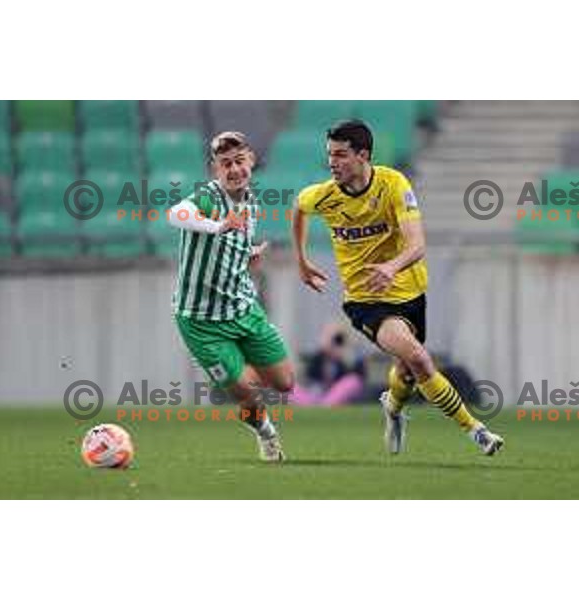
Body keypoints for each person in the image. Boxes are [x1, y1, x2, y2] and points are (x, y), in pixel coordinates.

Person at [292, 119, 504, 455]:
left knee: (406, 373)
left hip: (410, 292)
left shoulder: (393, 184)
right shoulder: (324, 196)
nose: (332, 162)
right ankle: (476, 431)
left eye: (341, 155)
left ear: (364, 155)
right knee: (420, 358)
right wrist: (301, 261)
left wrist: (391, 267)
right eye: (330, 154)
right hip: (366, 301)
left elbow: (418, 244)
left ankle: (392, 407)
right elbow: (299, 208)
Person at [168, 131, 294, 462]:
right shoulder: (208, 197)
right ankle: (265, 432)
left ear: (250, 161)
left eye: (239, 161)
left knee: (285, 383)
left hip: (242, 309)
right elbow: (175, 214)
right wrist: (216, 226)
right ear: (215, 169)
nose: (234, 169)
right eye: (226, 164)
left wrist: (248, 255)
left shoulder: (251, 202)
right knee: (247, 394)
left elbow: (231, 247)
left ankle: (237, 364)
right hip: (201, 322)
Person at [292, 323, 365, 406]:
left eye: (338, 339)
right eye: (334, 338)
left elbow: (358, 377)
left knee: (352, 381)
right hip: (317, 393)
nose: (335, 342)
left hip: (337, 394)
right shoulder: (319, 356)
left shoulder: (349, 355)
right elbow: (309, 377)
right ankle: (317, 406)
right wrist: (326, 348)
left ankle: (323, 406)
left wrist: (345, 355)